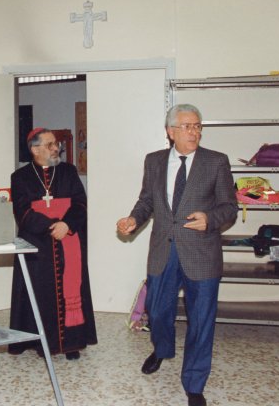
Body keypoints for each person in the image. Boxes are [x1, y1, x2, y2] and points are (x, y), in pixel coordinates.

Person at [116, 104, 237, 406]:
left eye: (197, 126)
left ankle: (194, 383)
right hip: (163, 250)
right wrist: (133, 219)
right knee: (157, 311)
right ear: (170, 131)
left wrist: (210, 218)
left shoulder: (216, 162)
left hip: (202, 252)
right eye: (187, 126)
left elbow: (229, 207)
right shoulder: (154, 161)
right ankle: (162, 349)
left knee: (201, 320)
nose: (194, 131)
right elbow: (146, 201)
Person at [9, 128, 97, 360]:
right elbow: (23, 212)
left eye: (56, 143)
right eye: (49, 144)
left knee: (72, 287)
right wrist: (52, 226)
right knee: (42, 291)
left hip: (68, 238)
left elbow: (80, 203)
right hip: (39, 244)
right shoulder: (20, 177)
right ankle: (42, 342)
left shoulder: (68, 171)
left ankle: (72, 342)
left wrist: (66, 225)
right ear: (35, 149)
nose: (56, 148)